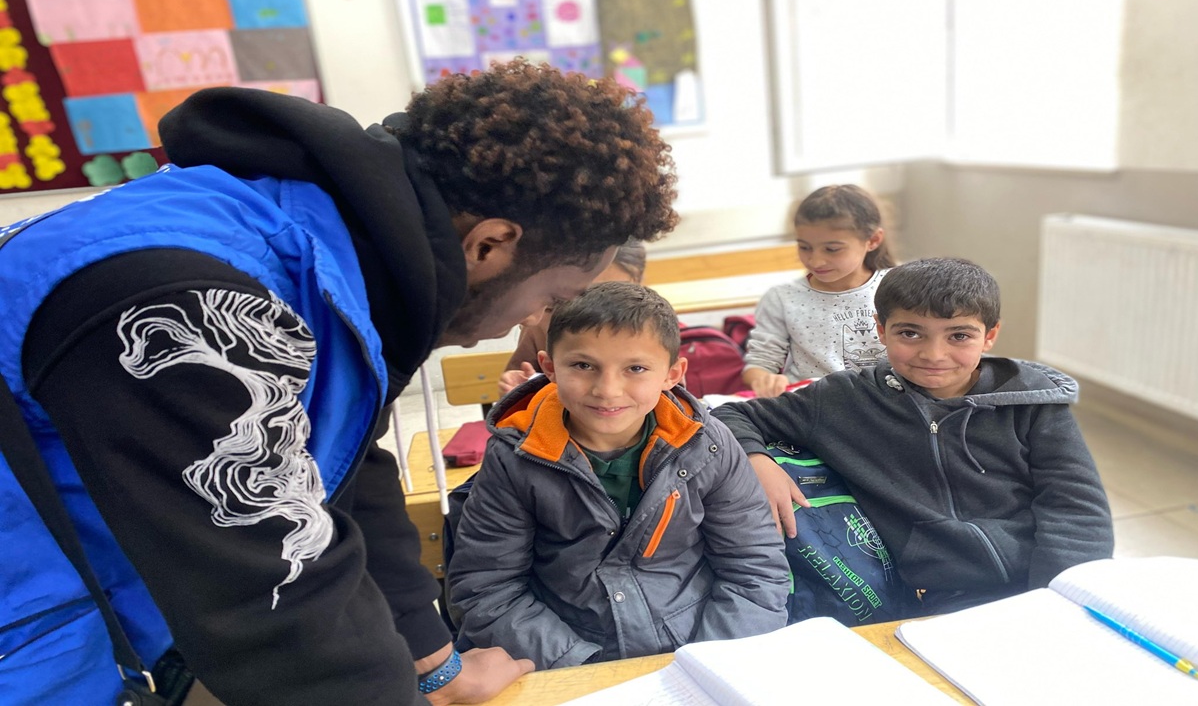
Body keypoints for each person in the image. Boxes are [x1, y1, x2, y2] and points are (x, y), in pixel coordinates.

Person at [0, 60, 678, 705]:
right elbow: (274, 603)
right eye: (552, 297)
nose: (526, 323)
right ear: (490, 245)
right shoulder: (193, 299)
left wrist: (434, 665)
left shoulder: (332, 259)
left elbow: (342, 472)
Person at [714, 258, 1113, 615]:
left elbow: (1076, 508)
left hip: (1046, 582)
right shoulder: (843, 399)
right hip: (945, 594)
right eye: (910, 333)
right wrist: (757, 461)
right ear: (881, 329)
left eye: (959, 336)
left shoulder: (1034, 402)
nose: (933, 354)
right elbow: (731, 414)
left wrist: (1054, 599)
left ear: (990, 335)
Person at [448, 282, 789, 669]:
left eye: (636, 369)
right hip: (570, 654)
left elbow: (754, 567)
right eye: (583, 366)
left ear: (673, 374)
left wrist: (709, 661)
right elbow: (488, 589)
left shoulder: (708, 445)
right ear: (549, 368)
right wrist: (582, 668)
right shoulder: (515, 458)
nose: (607, 390)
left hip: (698, 646)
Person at [742, 184, 894, 398]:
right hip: (812, 404)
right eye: (804, 247)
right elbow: (760, 362)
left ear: (873, 240)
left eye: (832, 249)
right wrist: (765, 379)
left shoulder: (897, 286)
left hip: (886, 402)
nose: (815, 260)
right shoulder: (782, 298)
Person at [498, 240, 647, 395]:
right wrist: (517, 390)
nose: (602, 301)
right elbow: (521, 381)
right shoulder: (541, 322)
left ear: (638, 283)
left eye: (618, 291)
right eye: (590, 291)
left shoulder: (651, 324)